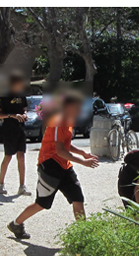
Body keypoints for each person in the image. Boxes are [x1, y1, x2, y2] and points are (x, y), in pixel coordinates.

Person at [7, 91, 99, 240]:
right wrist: (83, 162)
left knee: (78, 198)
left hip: (64, 165)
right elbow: (60, 150)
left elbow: (66, 144)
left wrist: (83, 153)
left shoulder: (68, 121)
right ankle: (16, 223)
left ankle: (84, 235)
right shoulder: (58, 121)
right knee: (41, 204)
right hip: (49, 164)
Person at [0, 72, 31, 196]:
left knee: (21, 156)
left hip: (21, 129)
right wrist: (12, 116)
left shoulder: (21, 95)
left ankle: (22, 186)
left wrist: (24, 114)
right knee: (8, 156)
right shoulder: (4, 96)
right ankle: (0, 184)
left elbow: (24, 108)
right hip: (8, 129)